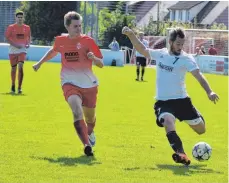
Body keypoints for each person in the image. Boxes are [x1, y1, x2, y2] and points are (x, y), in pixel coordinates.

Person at [122, 26, 219, 165]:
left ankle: (195, 115)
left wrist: (209, 91)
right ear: (171, 42)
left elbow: (199, 76)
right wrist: (131, 35)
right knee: (168, 122)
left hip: (183, 101)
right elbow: (142, 49)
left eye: (182, 44)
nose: (180, 46)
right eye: (178, 43)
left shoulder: (187, 59)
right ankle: (181, 154)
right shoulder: (161, 54)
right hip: (163, 102)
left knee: (201, 130)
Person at [32, 11, 104, 156]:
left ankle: (89, 133)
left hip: (89, 85)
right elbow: (53, 52)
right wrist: (40, 63)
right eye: (75, 26)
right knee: (76, 111)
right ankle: (86, 145)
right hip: (69, 83)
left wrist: (94, 58)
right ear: (67, 27)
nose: (79, 29)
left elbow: (101, 64)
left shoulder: (88, 41)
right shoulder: (60, 41)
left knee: (90, 118)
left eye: (80, 26)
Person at [5, 11, 31, 94]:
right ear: (16, 18)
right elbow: (7, 38)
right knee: (13, 69)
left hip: (22, 50)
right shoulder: (11, 27)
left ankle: (19, 87)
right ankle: (13, 85)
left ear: (23, 18)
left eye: (21, 17)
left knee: (20, 66)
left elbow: (29, 37)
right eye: (18, 17)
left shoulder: (27, 27)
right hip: (12, 50)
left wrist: (28, 44)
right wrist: (15, 45)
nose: (20, 19)